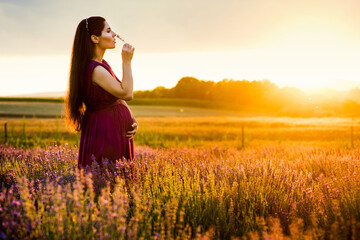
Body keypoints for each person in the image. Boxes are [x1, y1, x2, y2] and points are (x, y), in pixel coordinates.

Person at [66, 16, 138, 169]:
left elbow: (118, 95)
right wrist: (126, 61)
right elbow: (127, 93)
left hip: (113, 128)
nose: (114, 35)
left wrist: (131, 118)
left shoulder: (102, 64)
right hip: (106, 130)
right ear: (94, 38)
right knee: (107, 179)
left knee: (116, 182)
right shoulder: (95, 70)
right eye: (108, 31)